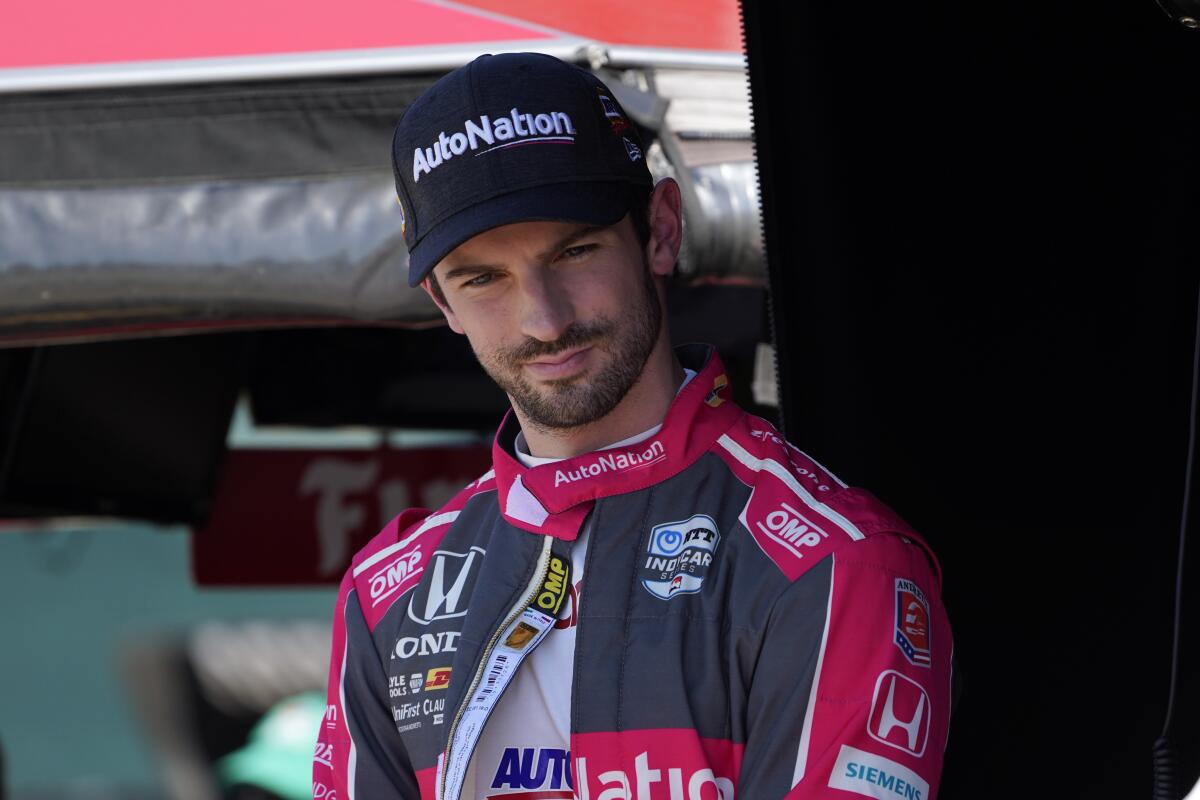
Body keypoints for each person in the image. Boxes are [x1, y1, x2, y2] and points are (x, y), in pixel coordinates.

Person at [315, 52, 953, 800]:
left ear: (659, 229)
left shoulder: (830, 564)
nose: (544, 319)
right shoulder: (389, 595)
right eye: (483, 278)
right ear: (442, 304)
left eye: (574, 251)